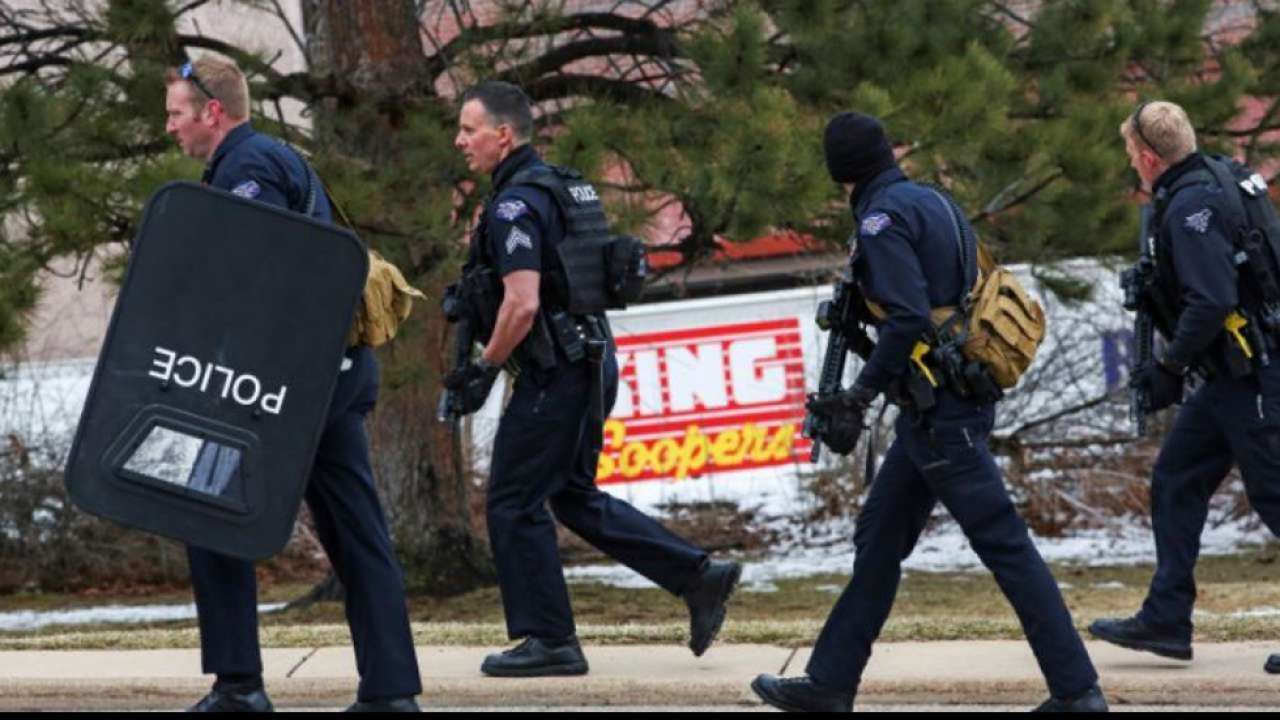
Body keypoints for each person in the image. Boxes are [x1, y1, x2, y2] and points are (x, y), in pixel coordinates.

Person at [750, 112, 1106, 713]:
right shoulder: (929, 201)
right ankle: (831, 683)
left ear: (841, 173)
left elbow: (911, 315)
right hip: (939, 412)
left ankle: (1077, 690)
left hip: (943, 417)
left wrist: (858, 396)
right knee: (880, 538)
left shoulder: (882, 219)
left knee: (1005, 546)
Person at [447, 80, 740, 677]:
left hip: (558, 373)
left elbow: (522, 303)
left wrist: (484, 369)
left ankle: (550, 640)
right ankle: (697, 576)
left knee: (511, 501)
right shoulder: (561, 186)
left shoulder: (513, 205)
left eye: (468, 129)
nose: (459, 141)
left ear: (502, 135)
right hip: (591, 361)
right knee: (570, 496)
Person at [164, 56, 422, 712]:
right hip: (318, 378)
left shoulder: (249, 169)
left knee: (208, 509)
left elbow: (265, 274)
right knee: (354, 529)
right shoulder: (262, 159)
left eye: (176, 114)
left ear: (212, 112)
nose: (170, 128)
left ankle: (240, 687)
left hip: (284, 384)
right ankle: (391, 693)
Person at [1090, 101, 1280, 674]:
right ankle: (1167, 618)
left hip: (1255, 375)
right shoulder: (1218, 175)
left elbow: (1212, 298)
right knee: (1177, 478)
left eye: (1130, 155)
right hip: (1230, 377)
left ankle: (1168, 614)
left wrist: (1170, 365)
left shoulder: (1192, 204)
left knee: (1276, 497)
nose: (1131, 165)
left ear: (1148, 157)